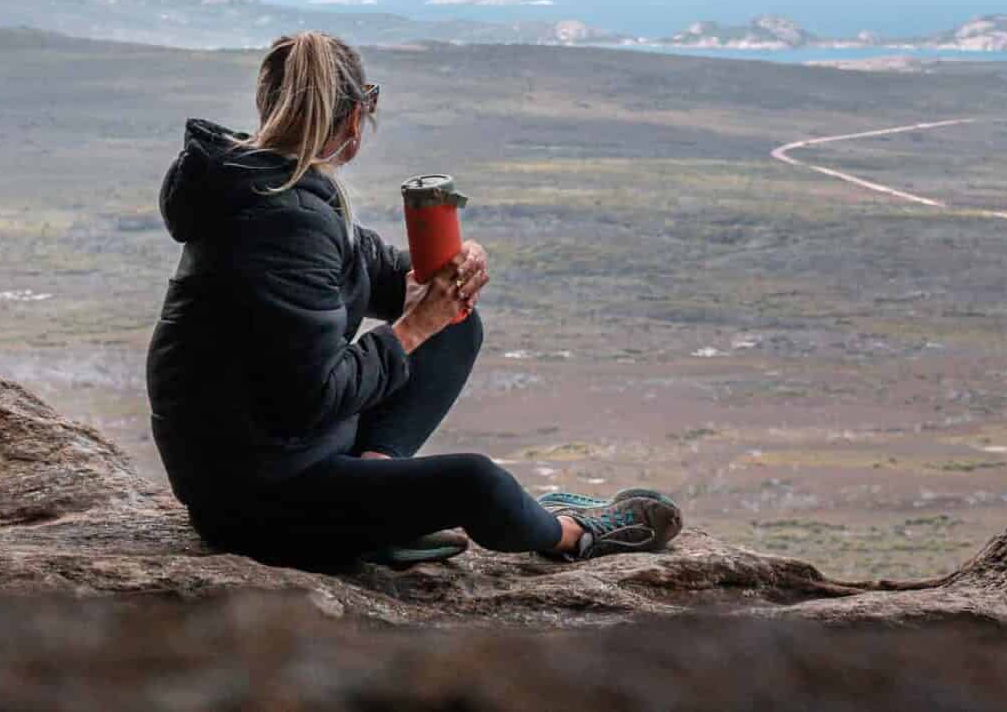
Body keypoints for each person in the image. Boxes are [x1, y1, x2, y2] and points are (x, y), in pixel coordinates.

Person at [145, 30, 683, 569]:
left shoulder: (273, 187)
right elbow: (310, 397)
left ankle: (378, 499)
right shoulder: (282, 220)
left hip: (276, 456)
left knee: (457, 325)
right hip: (260, 503)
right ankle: (572, 536)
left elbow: (377, 271)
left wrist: (449, 269)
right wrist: (415, 326)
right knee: (475, 481)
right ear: (356, 118)